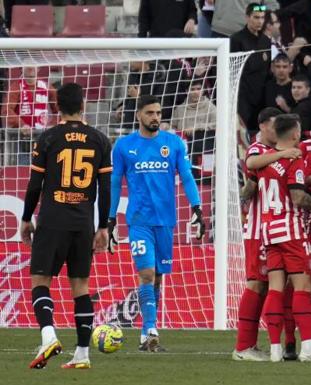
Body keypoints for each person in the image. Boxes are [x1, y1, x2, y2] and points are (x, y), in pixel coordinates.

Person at [21, 82, 111, 370]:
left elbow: (36, 184)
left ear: (56, 107)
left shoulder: (48, 138)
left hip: (52, 219)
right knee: (81, 286)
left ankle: (49, 336)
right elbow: (106, 188)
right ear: (83, 105)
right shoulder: (99, 139)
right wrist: (103, 226)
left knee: (40, 281)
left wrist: (26, 218)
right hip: (83, 222)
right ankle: (82, 354)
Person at [107, 95, 206, 352]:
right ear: (139, 115)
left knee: (158, 278)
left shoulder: (173, 144)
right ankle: (152, 329)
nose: (155, 118)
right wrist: (110, 219)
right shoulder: (123, 146)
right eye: (150, 113)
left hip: (166, 222)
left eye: (159, 113)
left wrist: (197, 208)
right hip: (139, 222)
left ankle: (144, 335)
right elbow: (115, 183)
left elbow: (186, 176)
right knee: (147, 274)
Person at [255, 113, 311, 363]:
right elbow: (298, 199)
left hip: (269, 229)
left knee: (275, 289)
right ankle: (308, 347)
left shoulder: (263, 161)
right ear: (294, 134)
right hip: (290, 229)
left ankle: (274, 349)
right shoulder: (294, 160)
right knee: (303, 288)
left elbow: (250, 165)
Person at [233, 107, 293, 361]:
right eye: (273, 124)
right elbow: (251, 163)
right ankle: (243, 346)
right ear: (263, 127)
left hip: (275, 229)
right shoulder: (258, 149)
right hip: (259, 229)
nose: (277, 128)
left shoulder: (273, 152)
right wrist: (286, 153)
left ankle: (256, 344)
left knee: (270, 285)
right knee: (256, 282)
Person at [231, 3, 273, 138]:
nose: (260, 21)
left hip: (260, 96)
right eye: (256, 17)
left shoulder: (266, 41)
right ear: (247, 17)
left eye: (262, 18)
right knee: (242, 134)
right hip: (242, 95)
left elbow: (267, 69)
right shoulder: (236, 40)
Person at [3, 66, 58, 164]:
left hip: (43, 137)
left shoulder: (47, 87)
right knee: (23, 169)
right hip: (21, 137)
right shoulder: (16, 87)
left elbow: (60, 109)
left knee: (44, 166)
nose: (30, 67)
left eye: (33, 64)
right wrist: (21, 124)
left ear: (39, 68)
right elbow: (6, 110)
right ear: (21, 69)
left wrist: (53, 124)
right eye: (27, 64)